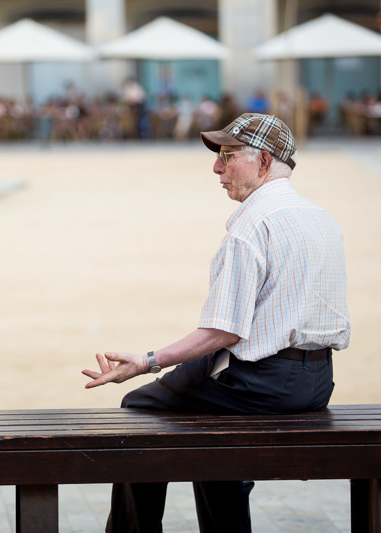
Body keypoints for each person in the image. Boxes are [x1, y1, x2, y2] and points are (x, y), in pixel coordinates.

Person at [82, 113, 350, 533]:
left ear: (263, 162)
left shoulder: (251, 226)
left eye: (227, 156)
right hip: (317, 382)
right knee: (212, 442)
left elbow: (224, 331)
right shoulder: (320, 217)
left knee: (141, 408)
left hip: (259, 385)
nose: (216, 168)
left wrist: (148, 360)